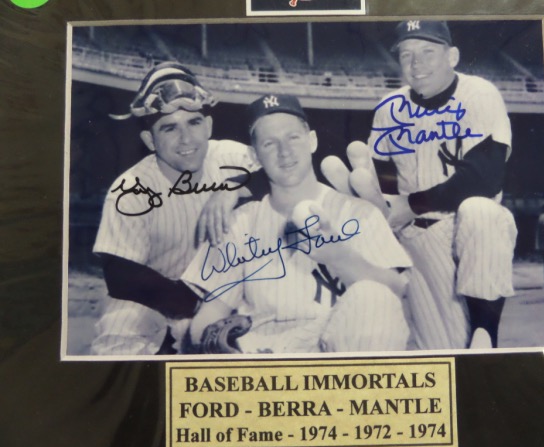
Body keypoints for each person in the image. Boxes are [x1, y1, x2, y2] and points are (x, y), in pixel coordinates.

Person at [181, 94, 413, 354]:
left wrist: (340, 256)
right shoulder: (238, 223)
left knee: (373, 295)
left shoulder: (358, 212)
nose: (285, 152)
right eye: (270, 144)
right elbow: (209, 316)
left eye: (293, 137)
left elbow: (397, 293)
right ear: (254, 156)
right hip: (267, 360)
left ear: (312, 141)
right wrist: (209, 343)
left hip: (343, 351)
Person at [366, 20, 518, 349]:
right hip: (415, 237)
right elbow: (385, 179)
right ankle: (470, 339)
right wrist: (391, 212)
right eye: (407, 55)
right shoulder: (389, 109)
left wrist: (410, 204)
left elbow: (484, 178)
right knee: (444, 347)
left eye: (427, 52)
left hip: (466, 227)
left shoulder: (479, 94)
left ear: (452, 56)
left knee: (483, 211)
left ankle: (486, 331)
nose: (416, 64)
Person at [90, 62, 258, 355]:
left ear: (208, 126)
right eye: (169, 128)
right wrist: (198, 309)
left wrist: (229, 188)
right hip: (150, 305)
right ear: (149, 140)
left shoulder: (231, 155)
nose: (186, 139)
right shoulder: (130, 188)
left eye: (193, 123)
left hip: (222, 297)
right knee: (121, 349)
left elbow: (282, 172)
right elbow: (121, 278)